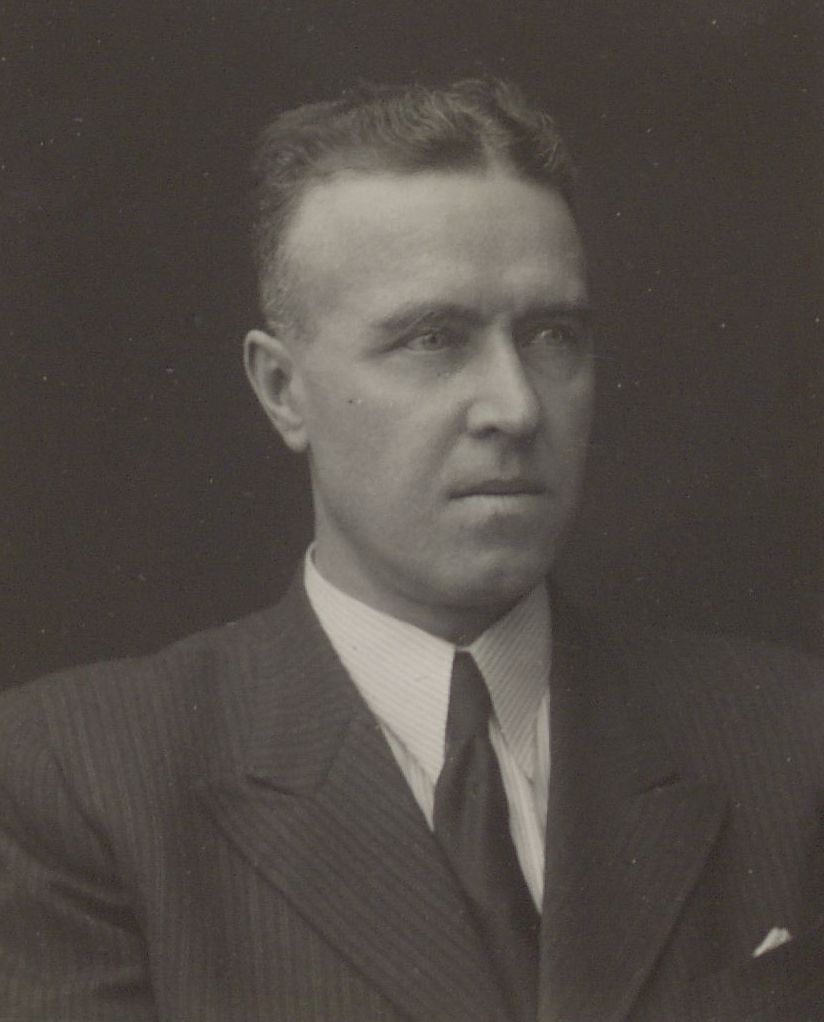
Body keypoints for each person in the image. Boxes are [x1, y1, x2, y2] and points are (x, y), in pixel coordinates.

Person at [1, 79, 822, 1022]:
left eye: (552, 335)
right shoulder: (75, 783)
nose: (516, 407)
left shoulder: (795, 743)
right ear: (282, 390)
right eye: (433, 339)